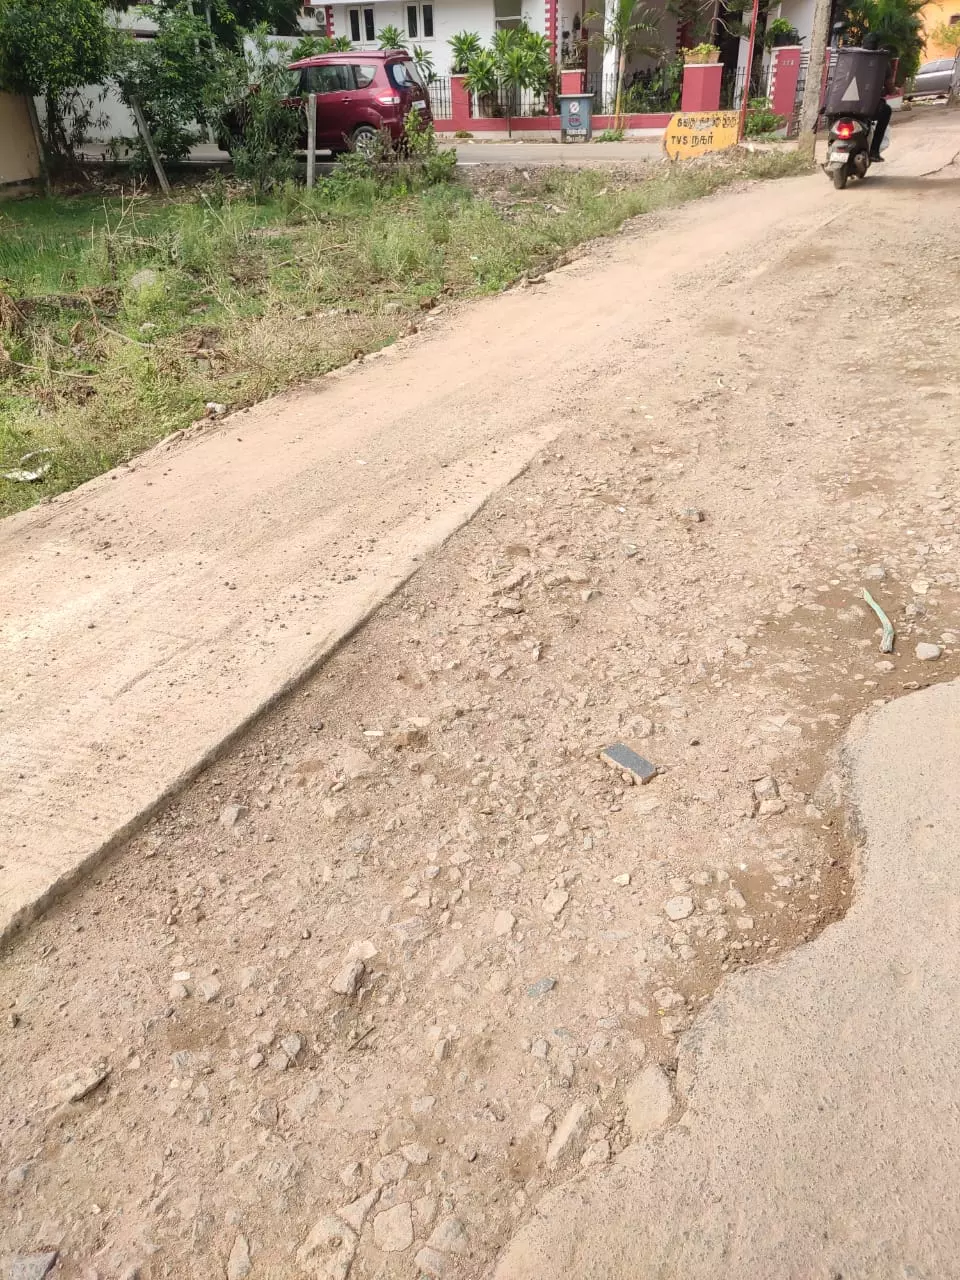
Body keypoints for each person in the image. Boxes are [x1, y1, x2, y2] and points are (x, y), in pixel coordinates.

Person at [862, 33, 895, 161]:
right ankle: (874, 151)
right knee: (886, 111)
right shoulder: (882, 62)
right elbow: (890, 87)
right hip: (869, 107)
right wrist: (892, 90)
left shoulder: (854, 58)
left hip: (844, 105)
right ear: (877, 46)